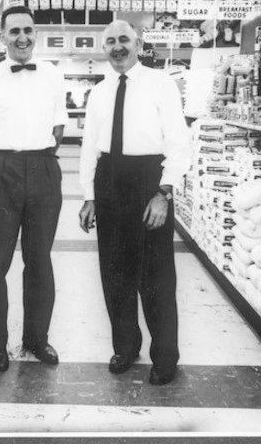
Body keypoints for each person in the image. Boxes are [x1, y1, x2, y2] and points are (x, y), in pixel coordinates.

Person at [78, 19, 190, 385]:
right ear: (104, 49)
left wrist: (164, 192)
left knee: (156, 276)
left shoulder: (161, 84)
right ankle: (125, 347)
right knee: (115, 273)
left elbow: (178, 142)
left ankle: (165, 358)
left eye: (123, 39)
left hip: (148, 183)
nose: (117, 47)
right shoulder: (99, 92)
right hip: (109, 179)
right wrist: (89, 196)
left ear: (137, 43)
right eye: (109, 41)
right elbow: (89, 148)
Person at [0, 5, 67, 372]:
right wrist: (10, 154)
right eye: (14, 31)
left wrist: (38, 155)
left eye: (28, 30)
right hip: (0, 171)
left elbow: (59, 127)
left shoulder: (53, 76)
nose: (22, 37)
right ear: (3, 35)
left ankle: (36, 339)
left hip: (43, 168)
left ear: (36, 34)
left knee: (39, 261)